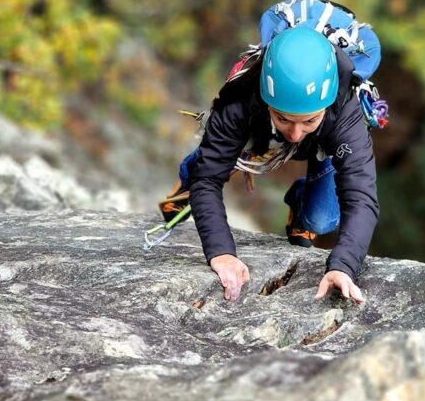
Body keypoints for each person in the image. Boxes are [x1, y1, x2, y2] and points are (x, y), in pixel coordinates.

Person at [159, 27, 379, 304]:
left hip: (324, 145)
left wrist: (343, 267)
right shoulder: (239, 102)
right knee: (209, 163)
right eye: (285, 118)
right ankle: (186, 178)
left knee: (321, 219)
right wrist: (222, 253)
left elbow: (361, 196)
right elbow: (208, 181)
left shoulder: (346, 113)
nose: (296, 134)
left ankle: (300, 205)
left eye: (308, 120)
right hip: (259, 133)